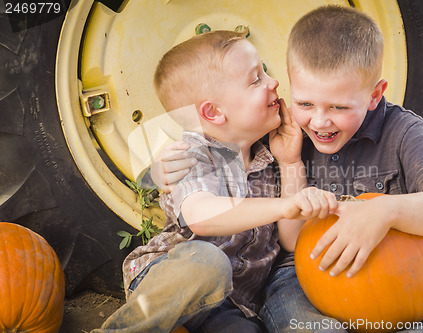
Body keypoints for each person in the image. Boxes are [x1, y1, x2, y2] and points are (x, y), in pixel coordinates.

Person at [154, 5, 423, 333]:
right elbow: (289, 238)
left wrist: (384, 211)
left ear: (375, 94)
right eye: (305, 103)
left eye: (339, 107)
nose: (319, 122)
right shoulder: (284, 130)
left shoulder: (404, 131)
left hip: (399, 275)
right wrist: (158, 169)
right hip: (300, 277)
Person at [93, 30, 337, 333]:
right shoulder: (192, 155)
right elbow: (201, 217)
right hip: (175, 280)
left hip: (233, 301)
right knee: (208, 262)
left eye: (266, 72)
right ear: (214, 111)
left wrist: (290, 163)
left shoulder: (270, 156)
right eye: (256, 79)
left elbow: (291, 240)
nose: (273, 82)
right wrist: (285, 205)